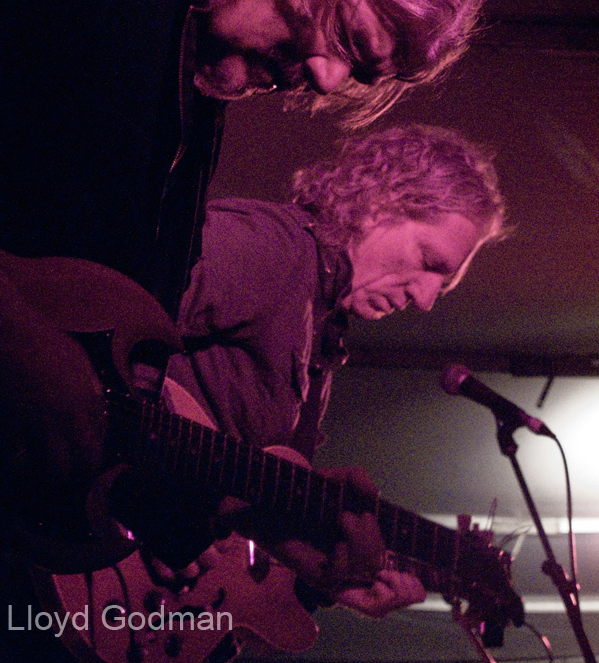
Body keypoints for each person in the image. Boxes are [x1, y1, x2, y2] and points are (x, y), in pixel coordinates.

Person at [0, 0, 484, 661]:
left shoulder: (189, 96)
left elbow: (99, 406)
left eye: (359, 76)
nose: (326, 82)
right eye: (347, 37)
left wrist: (244, 513)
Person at [165, 123, 507, 622]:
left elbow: (237, 506)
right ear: (379, 200)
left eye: (443, 285)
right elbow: (100, 316)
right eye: (429, 261)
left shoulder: (320, 335)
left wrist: (322, 579)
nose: (427, 300)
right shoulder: (271, 250)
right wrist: (144, 494)